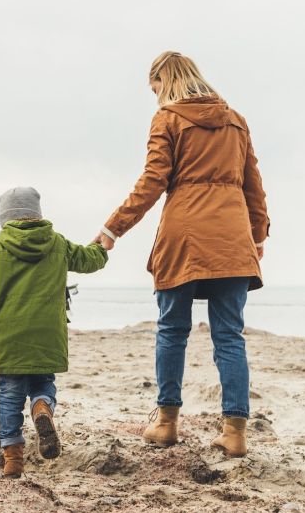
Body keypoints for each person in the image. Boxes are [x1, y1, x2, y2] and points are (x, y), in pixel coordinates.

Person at [95, 51, 269, 457]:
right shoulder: (235, 120)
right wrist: (257, 234)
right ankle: (235, 432)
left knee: (172, 330)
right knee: (230, 336)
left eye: (154, 88)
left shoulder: (167, 119)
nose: (154, 96)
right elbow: (253, 185)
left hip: (185, 236)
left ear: (163, 80)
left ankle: (167, 423)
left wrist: (112, 228)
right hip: (231, 238)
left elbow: (154, 180)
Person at [0, 187, 109, 478]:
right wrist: (102, 248)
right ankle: (42, 407)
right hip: (47, 336)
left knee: (9, 395)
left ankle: (13, 459)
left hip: (9, 337)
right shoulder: (57, 243)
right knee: (43, 383)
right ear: (37, 214)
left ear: (4, 218)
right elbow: (88, 260)